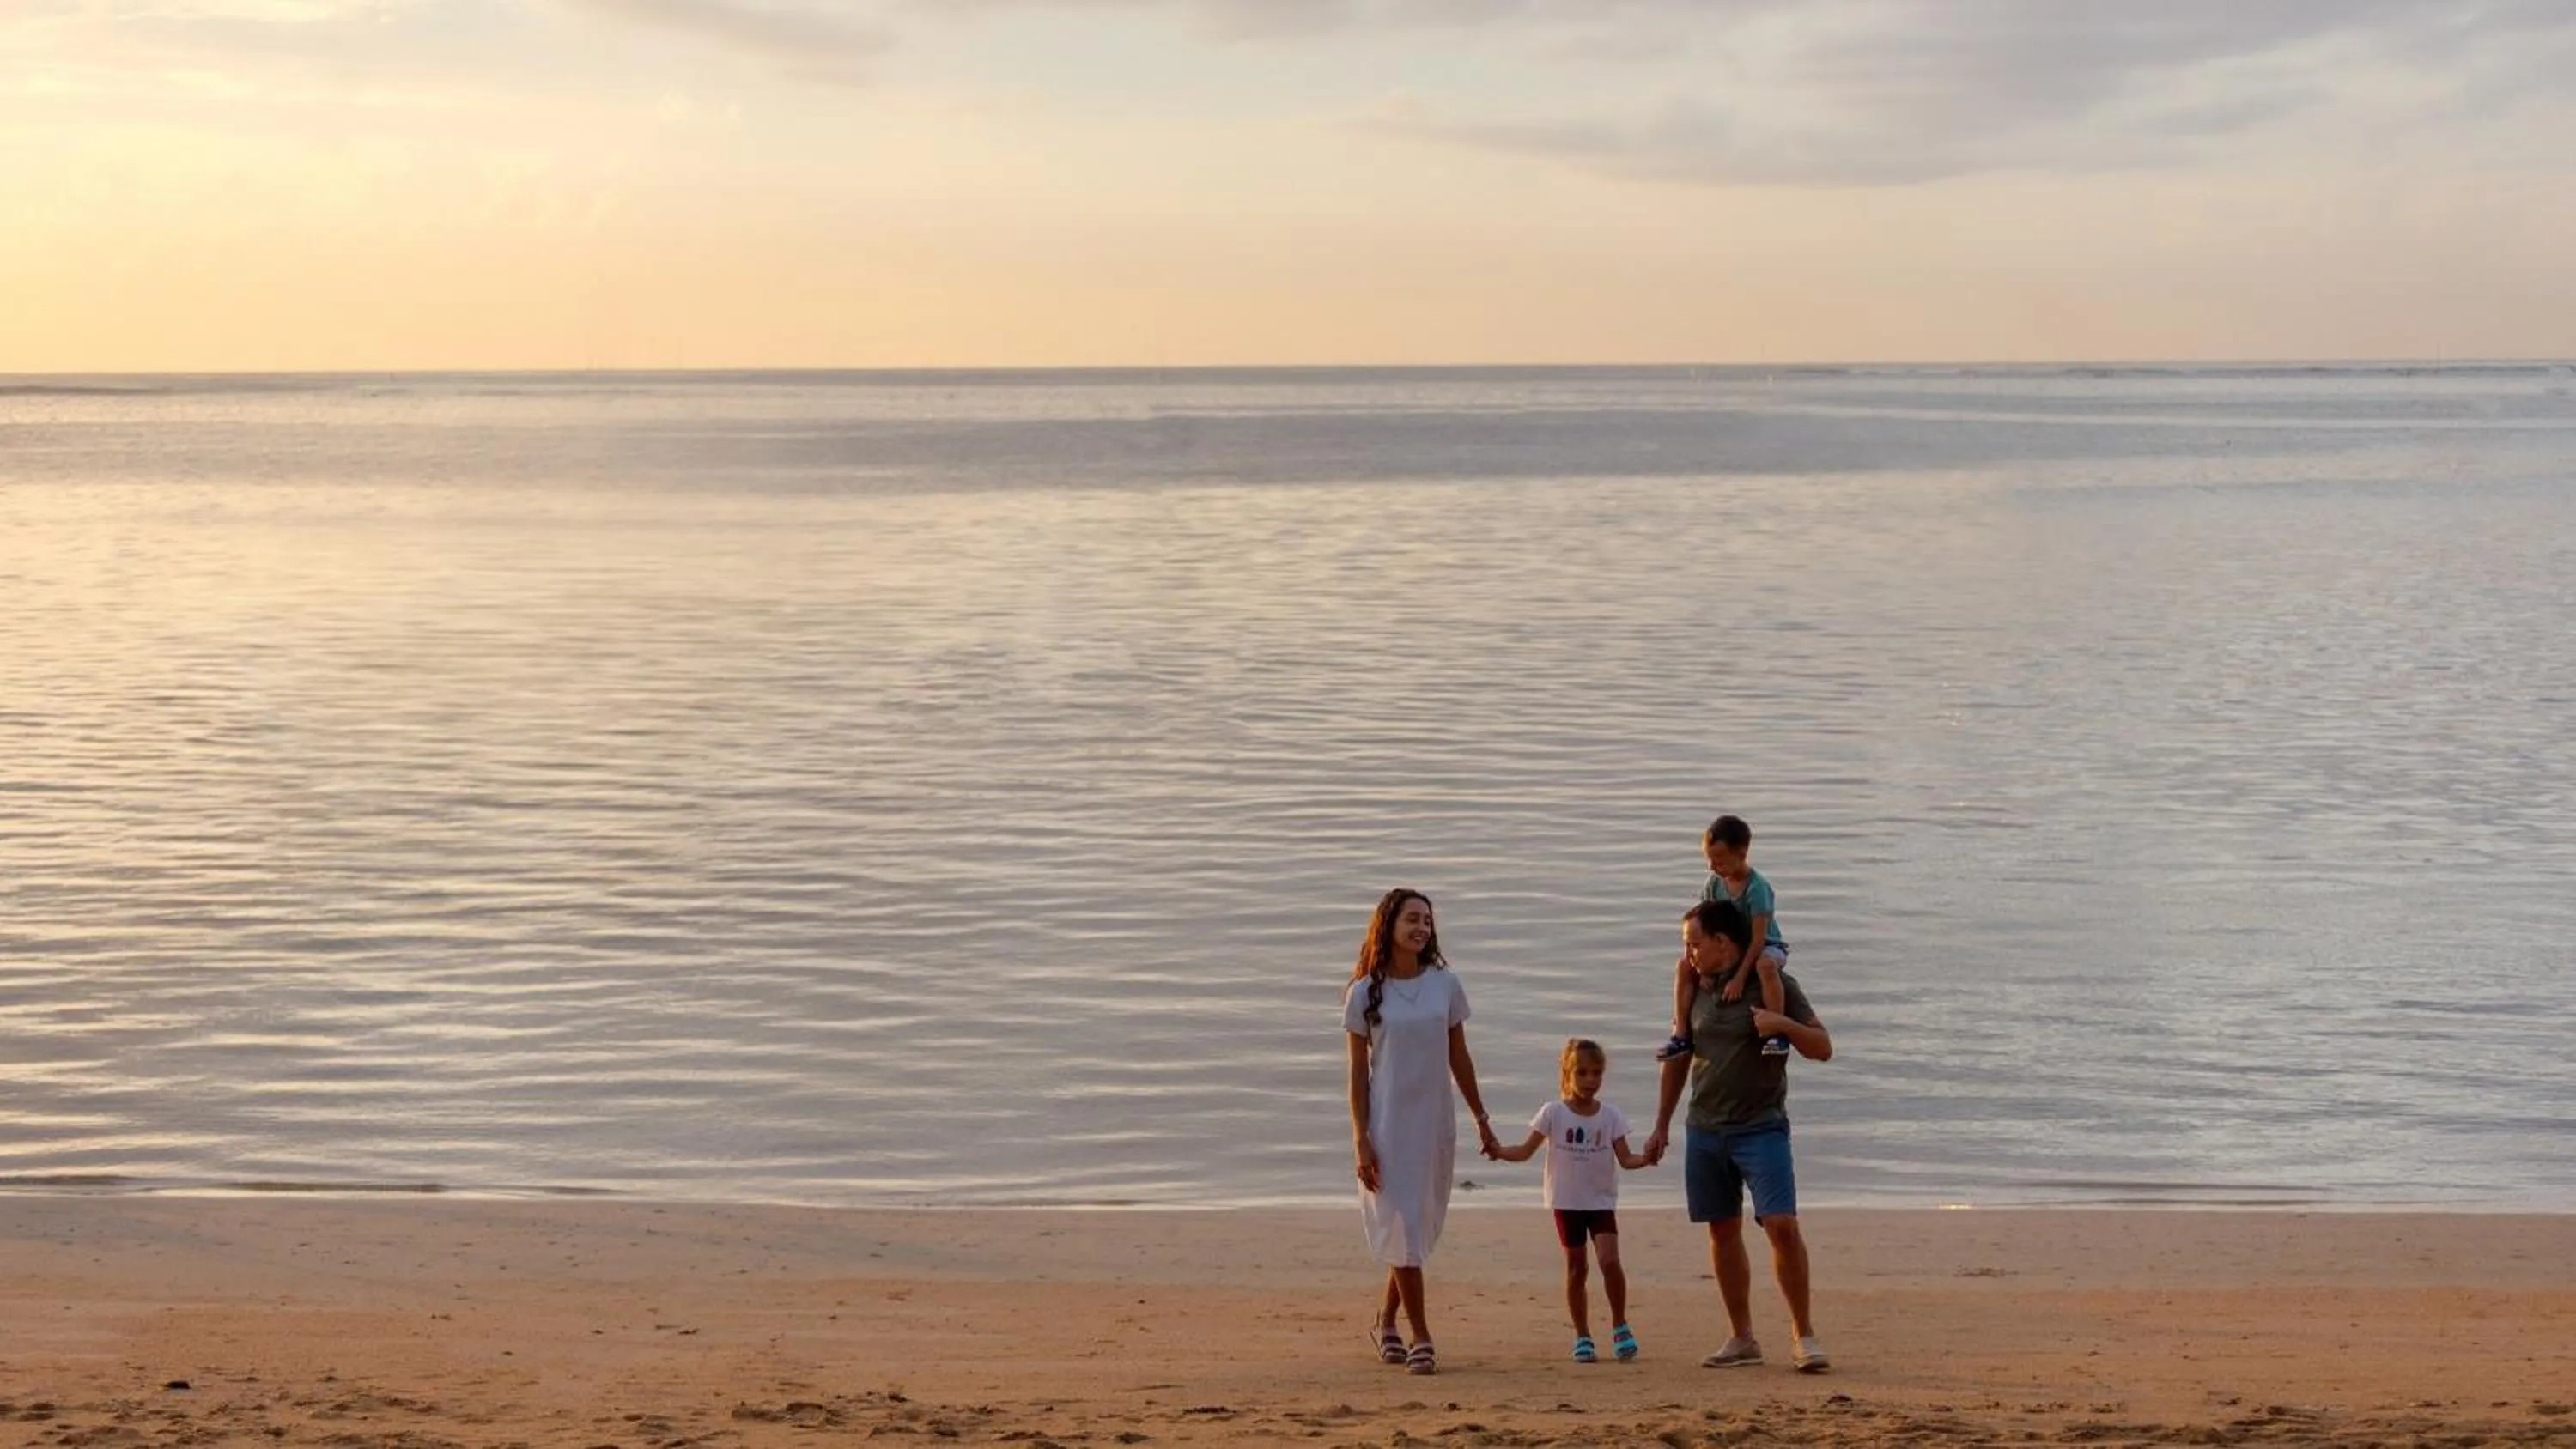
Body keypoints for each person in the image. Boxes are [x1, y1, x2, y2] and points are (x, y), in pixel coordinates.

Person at [1639, 898, 1834, 1373]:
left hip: (1761, 1125)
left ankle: (1802, 1335)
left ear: (1723, 942)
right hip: (1705, 1127)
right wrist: (1662, 1123)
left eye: (1694, 943)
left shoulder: (1774, 983)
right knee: (1721, 1229)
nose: (1688, 953)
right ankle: (1743, 1337)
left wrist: (1782, 1025)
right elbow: (1680, 1056)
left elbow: (1823, 1048)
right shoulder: (1695, 989)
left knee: (1781, 1225)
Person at [1343, 888, 1502, 1377]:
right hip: (1388, 1128)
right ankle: (1422, 1337)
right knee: (1404, 1225)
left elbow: (1460, 1056)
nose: (1421, 928)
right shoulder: (1365, 992)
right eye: (1412, 918)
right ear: (1388, 924)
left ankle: (1387, 1320)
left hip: (1433, 1123)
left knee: (1414, 1228)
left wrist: (1481, 1116)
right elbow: (1356, 1074)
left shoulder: (1445, 984)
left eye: (1427, 921)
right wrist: (1361, 1138)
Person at [1490, 1038, 1652, 1362]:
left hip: (1601, 1202)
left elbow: (1627, 1159)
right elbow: (1524, 1151)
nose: (1590, 1081)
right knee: (1577, 1268)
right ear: (1567, 1073)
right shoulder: (1553, 1113)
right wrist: (1498, 1151)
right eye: (1582, 1073)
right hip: (1567, 1202)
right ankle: (1582, 1334)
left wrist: (1647, 1157)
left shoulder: (1611, 1117)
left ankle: (1620, 1324)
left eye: (1596, 1074)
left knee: (1609, 1261)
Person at [1658, 815, 1793, 1062]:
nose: (1712, 867)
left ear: (1741, 853)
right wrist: (1702, 968)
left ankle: (1777, 1032)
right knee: (1684, 966)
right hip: (1732, 947)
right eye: (1709, 859)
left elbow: (1758, 939)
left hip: (1764, 946)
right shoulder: (1714, 884)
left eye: (1719, 860)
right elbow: (1700, 923)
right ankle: (1681, 1034)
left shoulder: (1757, 889)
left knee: (1765, 965)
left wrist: (1740, 978)